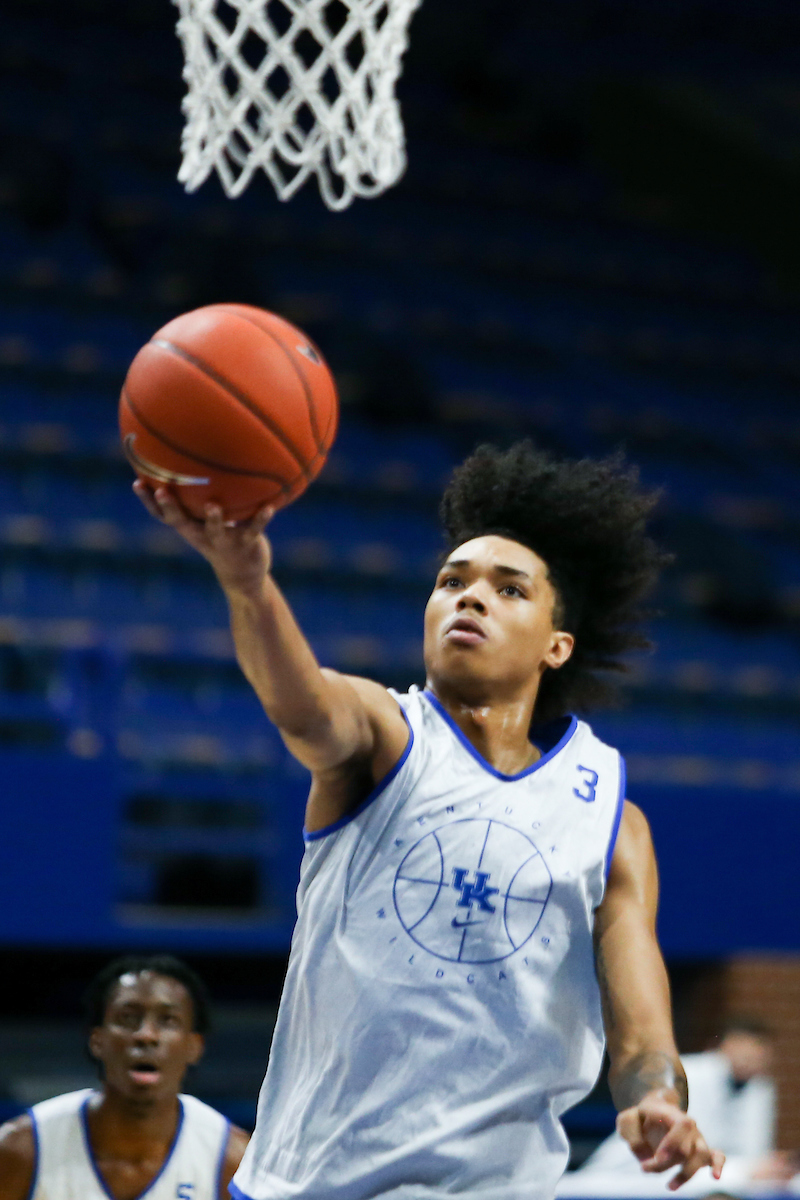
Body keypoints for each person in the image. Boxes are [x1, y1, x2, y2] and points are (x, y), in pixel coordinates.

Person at [132, 441, 725, 1200]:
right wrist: (247, 580)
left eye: (509, 590)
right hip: (312, 1184)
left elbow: (642, 1034)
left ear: (557, 644)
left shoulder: (609, 819)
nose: (470, 597)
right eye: (452, 581)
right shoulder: (386, 735)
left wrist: (656, 1102)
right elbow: (299, 702)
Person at [0, 954, 249, 1199]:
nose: (146, 1035)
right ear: (97, 1040)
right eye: (127, 1018)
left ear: (194, 1046)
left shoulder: (234, 1160)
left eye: (168, 1020)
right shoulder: (20, 1150)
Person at [560, 1017, 794, 1196]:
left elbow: (751, 1153)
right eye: (743, 1047)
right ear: (723, 1046)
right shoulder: (689, 1072)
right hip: (638, 1169)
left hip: (709, 1175)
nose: (750, 1056)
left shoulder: (761, 1088)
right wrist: (744, 1170)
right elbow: (680, 1151)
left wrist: (762, 1167)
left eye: (758, 1050)